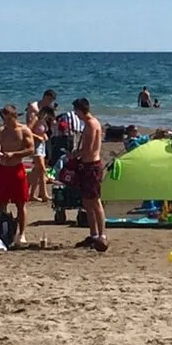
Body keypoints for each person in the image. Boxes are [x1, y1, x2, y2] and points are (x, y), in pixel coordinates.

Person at [0, 105, 36, 245]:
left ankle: (21, 233)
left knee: (20, 204)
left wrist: (14, 154)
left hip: (16, 169)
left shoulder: (24, 130)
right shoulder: (0, 131)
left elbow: (31, 149)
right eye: (4, 119)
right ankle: (3, 231)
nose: (7, 122)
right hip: (3, 169)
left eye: (9, 119)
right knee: (1, 203)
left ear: (15, 117)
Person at [71, 96, 107, 250]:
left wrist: (75, 154)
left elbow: (89, 148)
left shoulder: (92, 124)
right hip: (87, 165)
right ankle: (93, 234)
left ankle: (102, 235)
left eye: (76, 112)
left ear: (80, 110)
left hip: (92, 165)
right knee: (87, 201)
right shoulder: (88, 124)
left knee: (95, 201)